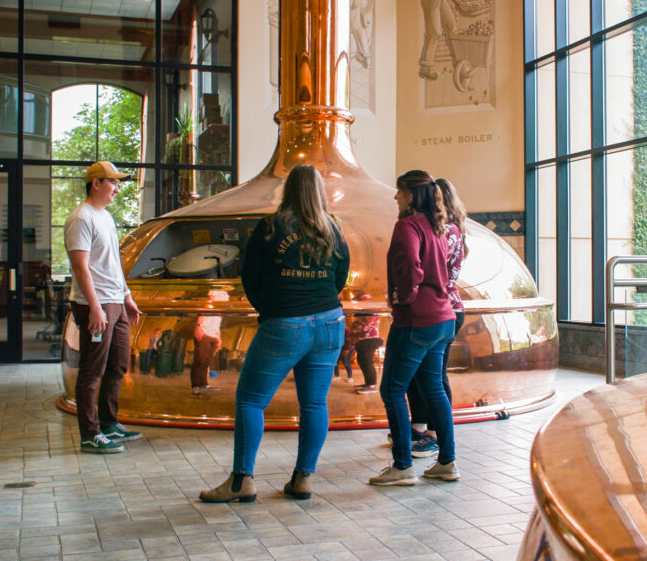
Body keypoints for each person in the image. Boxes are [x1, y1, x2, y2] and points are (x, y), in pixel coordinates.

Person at [200, 164, 350, 503]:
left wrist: (270, 308)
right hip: (329, 322)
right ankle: (303, 479)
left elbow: (250, 277)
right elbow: (341, 276)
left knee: (251, 400)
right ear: (319, 191)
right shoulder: (333, 229)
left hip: (285, 321)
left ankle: (242, 482)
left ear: (289, 190)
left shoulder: (270, 227)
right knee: (314, 403)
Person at [369, 170, 458, 486]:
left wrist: (402, 298)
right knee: (434, 387)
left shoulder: (406, 225)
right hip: (443, 317)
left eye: (399, 192)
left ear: (410, 195)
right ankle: (447, 462)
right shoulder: (437, 226)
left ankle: (403, 465)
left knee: (392, 389)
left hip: (416, 320)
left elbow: (411, 267)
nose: (395, 197)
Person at [65, 161, 143, 454]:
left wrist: (127, 295)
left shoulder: (105, 217)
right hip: (94, 305)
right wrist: (96, 308)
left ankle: (110, 424)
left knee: (118, 365)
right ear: (95, 183)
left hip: (115, 302)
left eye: (118, 183)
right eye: (112, 182)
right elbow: (80, 266)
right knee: (92, 371)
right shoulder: (81, 218)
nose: (117, 188)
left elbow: (113, 264)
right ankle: (90, 434)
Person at [404, 178, 467, 457]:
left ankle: (435, 435)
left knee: (436, 378)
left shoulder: (446, 231)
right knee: (420, 375)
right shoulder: (443, 229)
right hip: (444, 309)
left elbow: (428, 270)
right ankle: (419, 426)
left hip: (444, 309)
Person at [191, 290, 227, 394]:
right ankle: (195, 385)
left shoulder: (221, 309)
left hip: (213, 336)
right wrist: (198, 328)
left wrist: (219, 338)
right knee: (199, 361)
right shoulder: (208, 304)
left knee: (207, 362)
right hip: (204, 334)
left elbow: (217, 324)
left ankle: (204, 384)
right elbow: (201, 315)